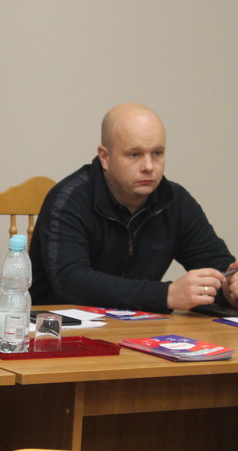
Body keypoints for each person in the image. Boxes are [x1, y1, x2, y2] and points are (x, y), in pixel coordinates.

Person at [30, 102, 237, 313]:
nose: (149, 166)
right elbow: (71, 282)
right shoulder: (68, 200)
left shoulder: (175, 201)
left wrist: (229, 289)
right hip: (60, 326)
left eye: (157, 153)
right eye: (134, 154)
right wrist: (165, 295)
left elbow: (218, 268)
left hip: (138, 326)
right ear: (105, 157)